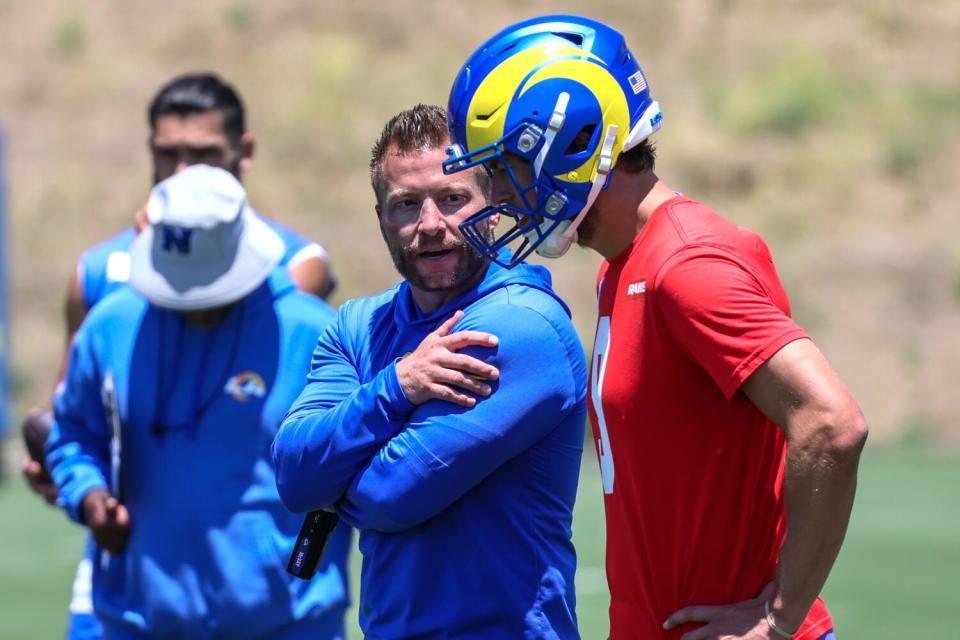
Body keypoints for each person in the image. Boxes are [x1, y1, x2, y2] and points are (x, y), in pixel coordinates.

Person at [443, 15, 868, 640]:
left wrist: (781, 620)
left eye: (507, 166)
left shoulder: (685, 263)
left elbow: (831, 424)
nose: (501, 195)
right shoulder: (624, 264)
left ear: (570, 138)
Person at [20, 71, 342, 640]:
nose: (183, 171)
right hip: (138, 609)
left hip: (286, 620)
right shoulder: (110, 310)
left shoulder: (307, 318)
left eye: (203, 155)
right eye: (169, 154)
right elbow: (75, 429)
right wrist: (84, 489)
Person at [272, 104, 587, 639]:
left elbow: (388, 496)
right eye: (406, 205)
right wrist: (396, 386)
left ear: (494, 204)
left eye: (453, 199)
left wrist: (337, 478)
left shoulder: (521, 326)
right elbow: (295, 474)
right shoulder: (357, 326)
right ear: (381, 219)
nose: (431, 225)